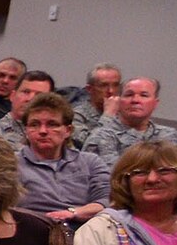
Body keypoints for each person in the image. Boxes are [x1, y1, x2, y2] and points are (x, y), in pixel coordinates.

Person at [15, 93, 108, 224]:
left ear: (68, 130)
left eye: (52, 124)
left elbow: (106, 201)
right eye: (34, 124)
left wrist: (72, 213)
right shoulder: (12, 164)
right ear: (26, 130)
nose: (42, 131)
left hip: (84, 229)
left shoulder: (91, 162)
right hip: (32, 228)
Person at [84, 75, 177, 165]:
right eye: (129, 95)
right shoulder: (102, 136)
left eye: (144, 95)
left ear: (155, 103)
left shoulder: (171, 135)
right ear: (119, 101)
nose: (135, 100)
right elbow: (112, 176)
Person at [0, 69, 56, 147]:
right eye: (26, 92)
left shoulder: (57, 135)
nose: (30, 99)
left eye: (39, 95)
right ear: (12, 96)